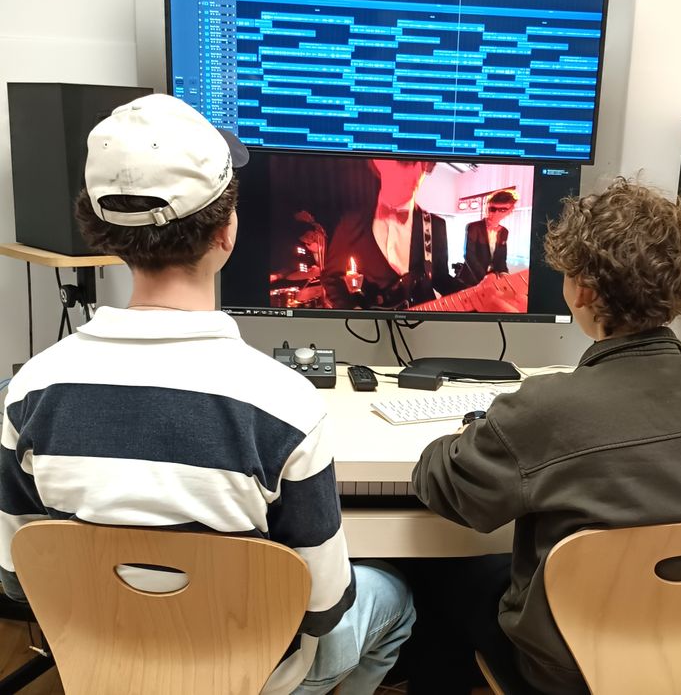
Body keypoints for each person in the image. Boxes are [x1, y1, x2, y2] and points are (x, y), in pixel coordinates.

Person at [0, 94, 414, 695]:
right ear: (227, 232)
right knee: (395, 601)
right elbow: (323, 607)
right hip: (248, 675)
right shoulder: (285, 405)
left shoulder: (27, 392)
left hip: (101, 664)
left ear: (101, 231)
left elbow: (17, 579)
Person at [404, 177, 681, 694]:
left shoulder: (543, 409)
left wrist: (474, 431)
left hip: (570, 673)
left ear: (583, 289)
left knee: (435, 576)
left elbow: (446, 490)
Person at [323, 159, 523, 313]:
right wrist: (353, 312)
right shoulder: (351, 220)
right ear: (379, 162)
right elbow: (332, 278)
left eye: (425, 165)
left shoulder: (435, 224)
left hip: (421, 323)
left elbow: (441, 279)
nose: (416, 173)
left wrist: (475, 293)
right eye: (406, 163)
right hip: (371, 329)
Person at [459, 189, 517, 286]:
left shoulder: (504, 232)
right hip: (470, 279)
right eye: (492, 209)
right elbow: (469, 255)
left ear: (510, 211)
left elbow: (501, 259)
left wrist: (504, 275)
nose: (496, 214)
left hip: (492, 280)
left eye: (502, 210)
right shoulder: (473, 227)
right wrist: (485, 278)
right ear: (487, 207)